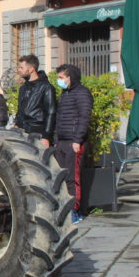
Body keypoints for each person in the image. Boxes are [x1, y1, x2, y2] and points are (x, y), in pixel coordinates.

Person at [54, 63, 93, 224]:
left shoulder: (82, 93)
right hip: (62, 142)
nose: (59, 81)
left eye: (61, 78)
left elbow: (85, 117)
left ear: (70, 77)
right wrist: (56, 140)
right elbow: (59, 118)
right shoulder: (64, 94)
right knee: (61, 178)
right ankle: (64, 208)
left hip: (73, 143)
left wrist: (77, 140)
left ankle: (74, 211)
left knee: (72, 178)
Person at [14, 54, 56, 147]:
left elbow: (51, 113)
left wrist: (46, 136)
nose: (19, 70)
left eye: (21, 67)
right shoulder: (22, 88)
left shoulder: (46, 87)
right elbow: (20, 110)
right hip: (22, 133)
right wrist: (17, 124)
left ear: (31, 69)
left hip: (38, 134)